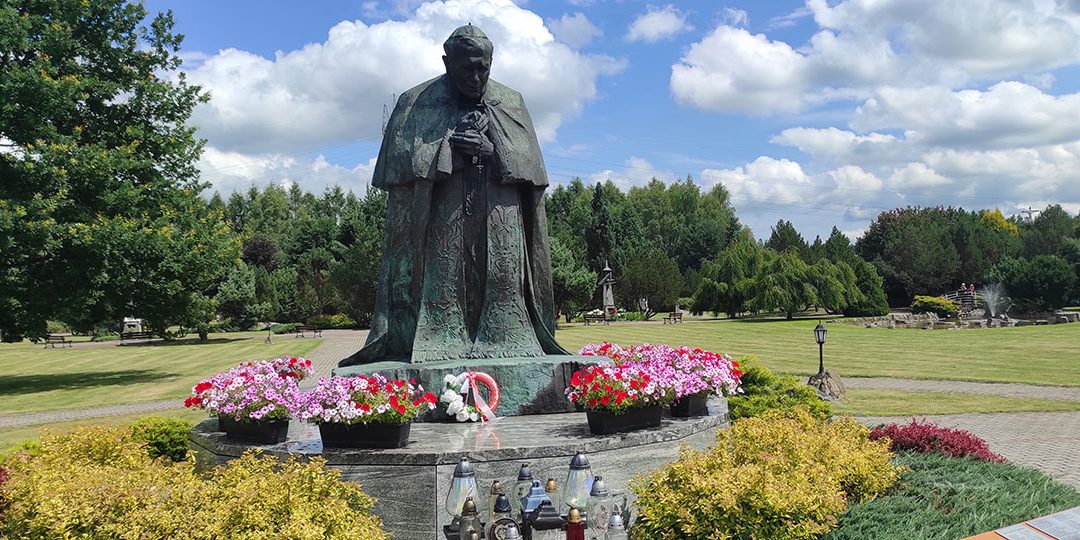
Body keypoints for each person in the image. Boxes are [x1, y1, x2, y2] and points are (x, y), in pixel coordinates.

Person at [340, 25, 567, 366]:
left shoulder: (511, 101)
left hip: (499, 210)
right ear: (447, 63)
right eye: (467, 68)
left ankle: (507, 342)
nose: (476, 77)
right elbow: (398, 167)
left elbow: (532, 168)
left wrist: (493, 150)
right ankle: (439, 344)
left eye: (483, 68)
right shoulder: (416, 102)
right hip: (442, 211)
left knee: (503, 279)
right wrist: (451, 153)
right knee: (444, 276)